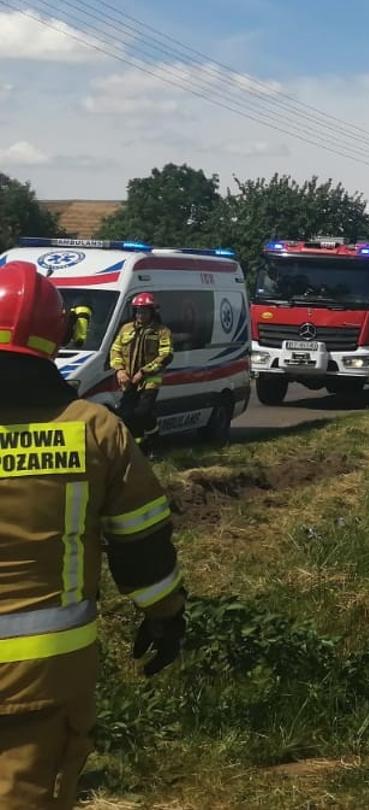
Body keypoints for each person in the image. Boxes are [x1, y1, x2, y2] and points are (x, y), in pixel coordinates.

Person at [0, 261, 188, 808]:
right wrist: (166, 614)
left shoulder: (147, 346)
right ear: (57, 337)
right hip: (42, 678)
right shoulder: (96, 430)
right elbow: (141, 542)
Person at [107, 294, 171, 443]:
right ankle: (138, 446)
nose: (140, 315)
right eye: (137, 311)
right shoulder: (126, 329)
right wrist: (120, 370)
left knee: (143, 412)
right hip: (128, 380)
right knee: (126, 415)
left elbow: (166, 356)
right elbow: (115, 350)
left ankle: (154, 441)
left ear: (153, 312)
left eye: (144, 312)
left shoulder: (162, 331)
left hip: (150, 380)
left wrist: (144, 372)